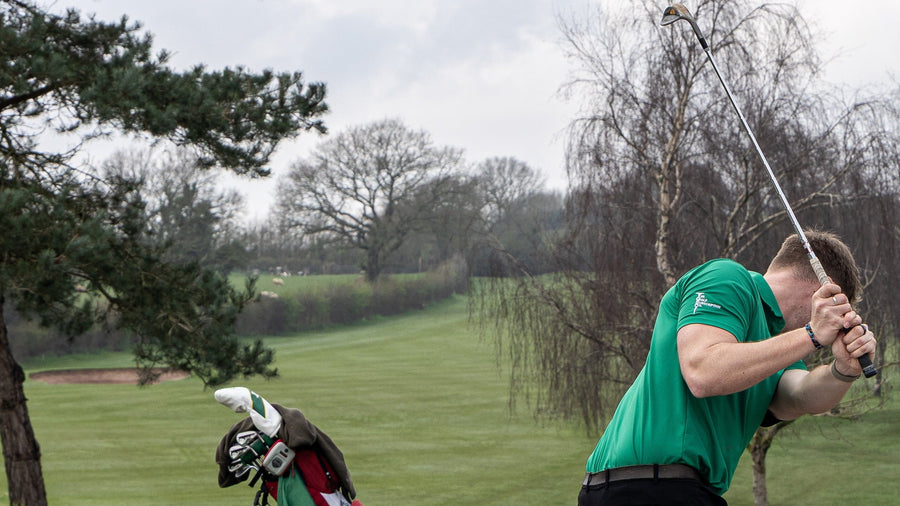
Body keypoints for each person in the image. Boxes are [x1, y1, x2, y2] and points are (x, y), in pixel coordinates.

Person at [577, 231, 877, 505]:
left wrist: (844, 370)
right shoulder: (726, 277)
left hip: (674, 490)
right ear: (824, 290)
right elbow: (703, 371)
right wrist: (811, 334)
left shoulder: (776, 347)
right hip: (647, 488)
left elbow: (801, 396)